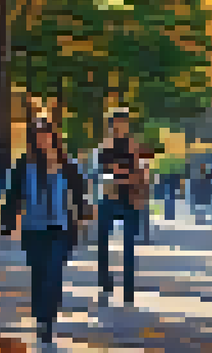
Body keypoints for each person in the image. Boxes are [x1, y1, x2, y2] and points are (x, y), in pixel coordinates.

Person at [1, 118, 88, 346]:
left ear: (54, 137)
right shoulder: (24, 164)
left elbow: (79, 194)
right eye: (38, 136)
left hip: (61, 230)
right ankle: (40, 318)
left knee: (53, 272)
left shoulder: (67, 165)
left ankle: (48, 320)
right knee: (39, 273)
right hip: (33, 230)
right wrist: (7, 222)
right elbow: (13, 195)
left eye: (46, 134)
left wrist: (82, 215)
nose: (43, 139)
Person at [93, 109, 147, 306]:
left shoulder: (133, 146)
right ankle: (105, 281)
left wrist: (118, 171)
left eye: (122, 124)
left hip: (129, 199)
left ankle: (129, 288)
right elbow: (102, 170)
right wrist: (119, 170)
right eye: (115, 124)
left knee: (129, 245)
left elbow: (138, 170)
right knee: (102, 241)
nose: (119, 128)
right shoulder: (104, 147)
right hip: (109, 198)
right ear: (110, 126)